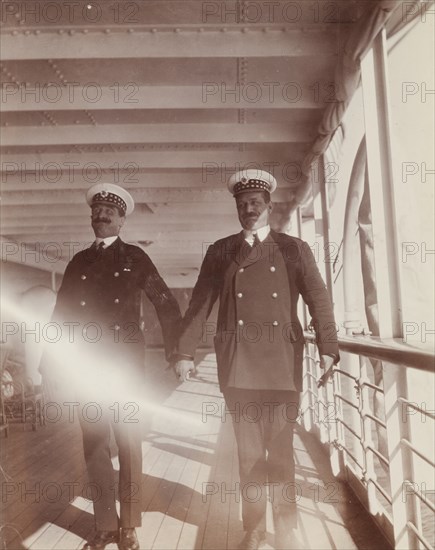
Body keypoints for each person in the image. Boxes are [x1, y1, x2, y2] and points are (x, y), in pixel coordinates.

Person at [173, 170, 339, 550]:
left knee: (281, 453)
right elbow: (199, 304)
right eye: (241, 204)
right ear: (236, 208)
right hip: (239, 369)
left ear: (269, 206)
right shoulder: (221, 250)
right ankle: (253, 529)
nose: (248, 209)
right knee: (248, 456)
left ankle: (286, 529)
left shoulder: (292, 248)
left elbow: (318, 297)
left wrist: (328, 347)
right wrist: (184, 352)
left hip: (281, 366)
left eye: (255, 203)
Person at [45, 184, 181, 550]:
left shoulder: (136, 258)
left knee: (129, 444)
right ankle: (106, 525)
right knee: (94, 445)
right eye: (97, 212)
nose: (101, 216)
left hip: (125, 370)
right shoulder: (78, 262)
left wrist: (179, 352)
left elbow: (166, 303)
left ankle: (130, 526)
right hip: (88, 369)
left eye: (109, 212)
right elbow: (61, 317)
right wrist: (50, 367)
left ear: (122, 220)